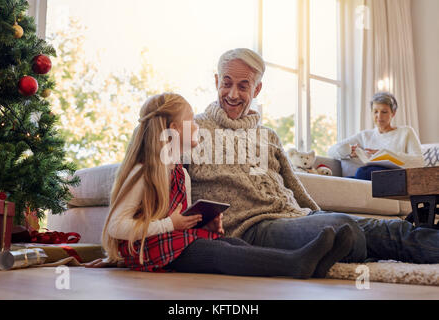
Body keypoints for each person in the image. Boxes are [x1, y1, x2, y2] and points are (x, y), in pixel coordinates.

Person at [187, 48, 439, 264]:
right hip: (250, 229)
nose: (233, 94)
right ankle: (355, 245)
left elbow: (295, 187)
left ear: (257, 88)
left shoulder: (268, 135)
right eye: (227, 83)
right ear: (216, 80)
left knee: (385, 227)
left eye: (243, 86)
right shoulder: (194, 129)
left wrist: (316, 215)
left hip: (294, 217)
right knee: (342, 227)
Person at [86, 92, 356, 279]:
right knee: (216, 253)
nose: (198, 127)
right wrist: (172, 224)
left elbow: (183, 220)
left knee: (231, 244)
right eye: (191, 121)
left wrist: (205, 223)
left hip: (176, 243)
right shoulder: (143, 172)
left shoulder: (181, 173)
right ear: (174, 129)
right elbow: (116, 226)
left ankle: (314, 266)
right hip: (155, 251)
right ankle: (295, 263)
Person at [328, 92, 424, 180]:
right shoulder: (365, 135)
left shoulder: (406, 132)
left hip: (394, 177)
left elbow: (419, 161)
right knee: (343, 180)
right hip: (370, 176)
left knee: (363, 173)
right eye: (375, 112)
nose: (379, 116)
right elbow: (331, 151)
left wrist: (385, 155)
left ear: (393, 113)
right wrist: (349, 151)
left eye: (384, 112)